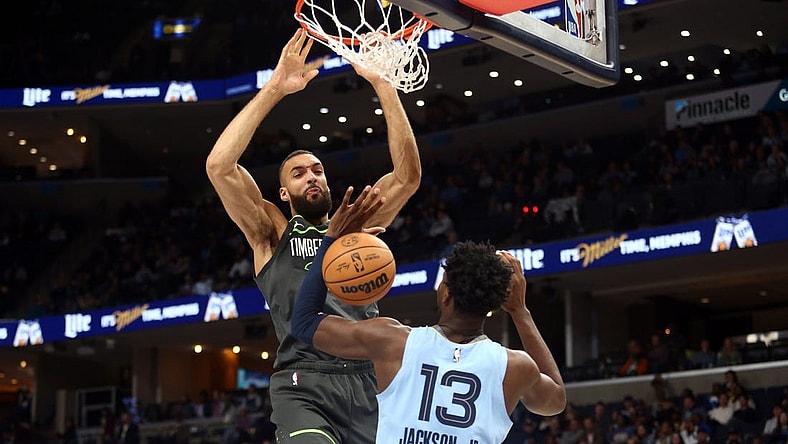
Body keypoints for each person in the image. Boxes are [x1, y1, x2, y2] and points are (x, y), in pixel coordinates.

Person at [205, 29, 421, 443]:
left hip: (367, 380)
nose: (312, 176)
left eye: (318, 169)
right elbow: (219, 166)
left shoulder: (356, 227)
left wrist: (383, 84)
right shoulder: (270, 229)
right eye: (299, 173)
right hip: (303, 382)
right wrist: (275, 87)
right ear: (284, 193)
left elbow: (407, 178)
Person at [290, 186, 566, 442]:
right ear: (495, 304)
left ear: (446, 294)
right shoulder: (515, 366)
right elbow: (555, 401)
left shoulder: (393, 341)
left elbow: (303, 323)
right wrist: (520, 311)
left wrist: (330, 241)